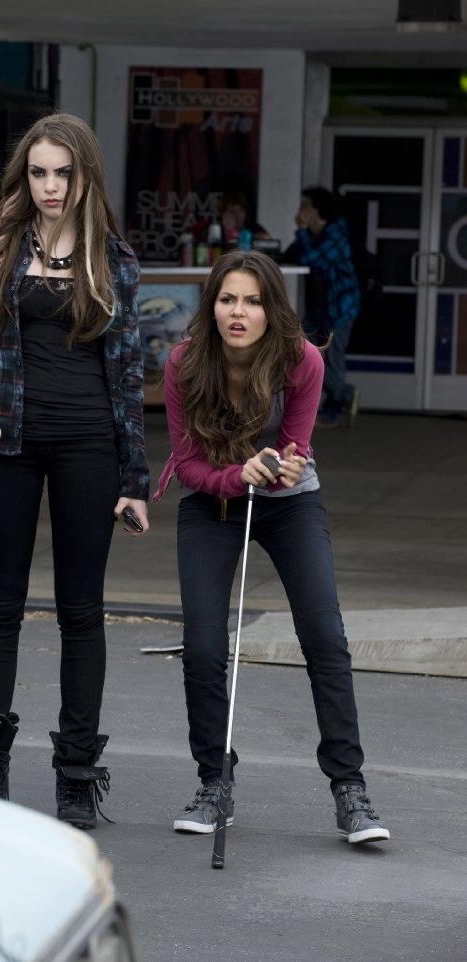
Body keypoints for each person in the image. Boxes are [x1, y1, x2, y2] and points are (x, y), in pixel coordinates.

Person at [0, 113, 150, 830]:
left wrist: (135, 478)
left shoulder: (114, 261)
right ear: (24, 177)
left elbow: (127, 376)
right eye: (38, 172)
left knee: (80, 612)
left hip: (88, 449)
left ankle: (74, 776)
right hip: (6, 447)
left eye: (63, 172)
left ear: (86, 175)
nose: (51, 186)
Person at [152, 249, 389, 845]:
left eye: (253, 301)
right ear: (212, 305)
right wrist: (239, 476)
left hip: (287, 503)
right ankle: (215, 783)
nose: (239, 312)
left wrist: (284, 467)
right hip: (213, 501)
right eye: (228, 299)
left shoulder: (300, 359)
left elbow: (296, 446)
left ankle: (350, 789)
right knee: (205, 647)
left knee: (325, 637)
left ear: (271, 309)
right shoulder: (182, 364)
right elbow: (187, 464)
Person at [282, 186, 361, 427]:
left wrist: (302, 231)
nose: (300, 210)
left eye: (305, 206)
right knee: (299, 352)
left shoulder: (336, 234)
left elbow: (312, 259)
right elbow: (293, 254)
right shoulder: (315, 236)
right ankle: (342, 398)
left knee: (332, 358)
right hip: (319, 306)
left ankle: (339, 401)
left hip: (339, 307)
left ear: (317, 210)